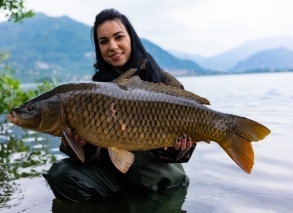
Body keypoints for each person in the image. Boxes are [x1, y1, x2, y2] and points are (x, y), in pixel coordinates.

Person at [43, 8, 196, 203]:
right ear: (99, 48)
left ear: (131, 38)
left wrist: (180, 148)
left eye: (118, 37)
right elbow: (91, 159)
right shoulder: (93, 91)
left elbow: (188, 151)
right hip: (116, 180)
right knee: (61, 174)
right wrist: (81, 145)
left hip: (160, 182)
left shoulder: (161, 80)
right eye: (104, 41)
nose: (112, 46)